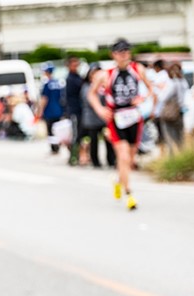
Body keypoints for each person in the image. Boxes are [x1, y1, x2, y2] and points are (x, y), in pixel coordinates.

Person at [88, 38, 156, 210]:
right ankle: (129, 194)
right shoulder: (106, 74)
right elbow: (92, 94)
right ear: (113, 55)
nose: (124, 55)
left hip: (134, 116)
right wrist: (100, 109)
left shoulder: (137, 69)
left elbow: (150, 89)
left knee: (130, 159)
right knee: (123, 156)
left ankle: (118, 180)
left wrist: (143, 98)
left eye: (126, 51)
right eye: (120, 52)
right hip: (116, 118)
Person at [80, 65, 115, 169]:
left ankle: (111, 160)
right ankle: (95, 161)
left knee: (108, 140)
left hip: (104, 118)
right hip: (92, 118)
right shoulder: (87, 87)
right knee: (94, 141)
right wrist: (99, 107)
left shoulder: (103, 86)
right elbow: (88, 100)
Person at [37, 63, 65, 154]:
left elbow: (44, 99)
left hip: (49, 111)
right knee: (58, 129)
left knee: (50, 130)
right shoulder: (59, 83)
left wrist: (40, 110)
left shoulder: (47, 84)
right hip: (59, 110)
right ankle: (58, 146)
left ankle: (54, 148)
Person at [65, 56, 84, 165]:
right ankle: (73, 157)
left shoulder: (77, 77)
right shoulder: (71, 79)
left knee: (80, 134)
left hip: (80, 110)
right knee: (76, 134)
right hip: (74, 110)